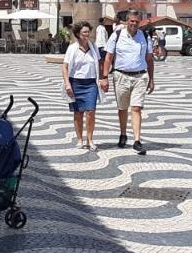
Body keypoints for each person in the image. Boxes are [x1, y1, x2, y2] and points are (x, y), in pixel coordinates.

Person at [99, 10, 155, 155]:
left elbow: (149, 59)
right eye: (131, 21)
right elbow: (108, 57)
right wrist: (104, 77)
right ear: (126, 21)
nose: (134, 24)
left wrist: (151, 79)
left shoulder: (145, 36)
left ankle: (137, 140)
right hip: (121, 75)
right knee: (123, 108)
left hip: (140, 77)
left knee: (136, 108)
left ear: (140, 22)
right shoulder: (117, 35)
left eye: (137, 21)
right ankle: (123, 134)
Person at [62, 22, 100, 150]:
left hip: (91, 84)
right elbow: (65, 67)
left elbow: (98, 64)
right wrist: (67, 84)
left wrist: (102, 79)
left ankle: (90, 139)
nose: (87, 34)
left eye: (88, 32)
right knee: (78, 113)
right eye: (84, 32)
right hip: (76, 83)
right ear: (78, 34)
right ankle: (80, 139)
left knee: (90, 111)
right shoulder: (72, 48)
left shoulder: (93, 47)